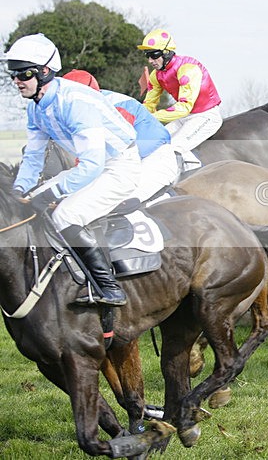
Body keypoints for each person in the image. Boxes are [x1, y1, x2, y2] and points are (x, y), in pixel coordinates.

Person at [5, 34, 141, 306]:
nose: (17, 81)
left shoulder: (75, 102)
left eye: (23, 74)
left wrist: (51, 193)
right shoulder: (36, 108)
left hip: (119, 166)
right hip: (94, 166)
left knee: (65, 214)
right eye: (13, 76)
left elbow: (93, 165)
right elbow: (32, 158)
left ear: (45, 72)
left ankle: (110, 287)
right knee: (30, 202)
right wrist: (18, 191)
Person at [62, 69, 180, 202]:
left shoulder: (115, 108)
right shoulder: (92, 105)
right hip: (130, 160)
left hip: (154, 159)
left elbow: (103, 150)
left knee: (115, 201)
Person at [137, 29, 222, 170]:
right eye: (147, 55)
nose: (150, 60)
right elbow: (149, 104)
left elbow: (184, 107)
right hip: (184, 118)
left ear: (166, 52)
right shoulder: (156, 76)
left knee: (171, 149)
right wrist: (138, 119)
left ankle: (192, 177)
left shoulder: (188, 68)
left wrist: (153, 117)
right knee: (155, 142)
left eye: (153, 55)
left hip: (205, 116)